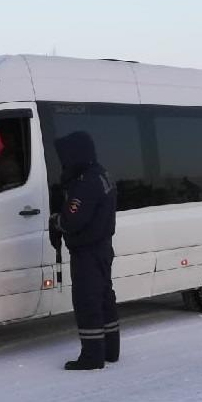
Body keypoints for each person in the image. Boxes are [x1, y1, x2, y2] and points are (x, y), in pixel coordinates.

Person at [51, 131, 119, 370]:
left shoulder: (85, 183)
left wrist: (56, 221)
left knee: (87, 301)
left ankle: (92, 356)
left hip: (87, 251)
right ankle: (110, 349)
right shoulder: (102, 174)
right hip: (103, 247)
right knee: (104, 298)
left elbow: (72, 219)